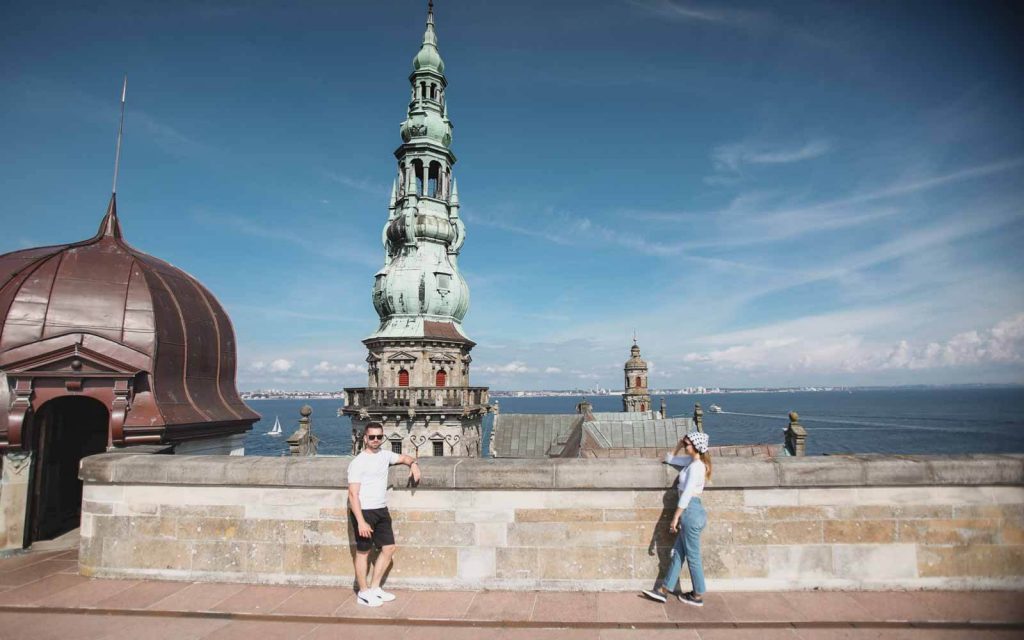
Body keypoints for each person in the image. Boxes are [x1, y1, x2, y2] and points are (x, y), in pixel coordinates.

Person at [347, 422, 421, 607]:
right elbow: (352, 494)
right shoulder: (358, 462)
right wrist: (361, 522)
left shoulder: (385, 455)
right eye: (371, 437)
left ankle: (375, 588)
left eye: (379, 437)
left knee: (389, 548)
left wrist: (414, 465)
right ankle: (363, 593)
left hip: (381, 509)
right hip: (364, 511)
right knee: (363, 553)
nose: (375, 440)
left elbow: (405, 458)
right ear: (365, 438)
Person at [641, 431, 712, 607]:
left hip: (690, 511)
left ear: (696, 447)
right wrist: (678, 446)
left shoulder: (696, 467)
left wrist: (675, 518)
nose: (685, 445)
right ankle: (663, 591)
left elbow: (687, 493)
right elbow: (669, 459)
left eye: (687, 443)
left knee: (693, 557)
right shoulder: (692, 462)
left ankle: (697, 595)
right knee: (679, 554)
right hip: (691, 512)